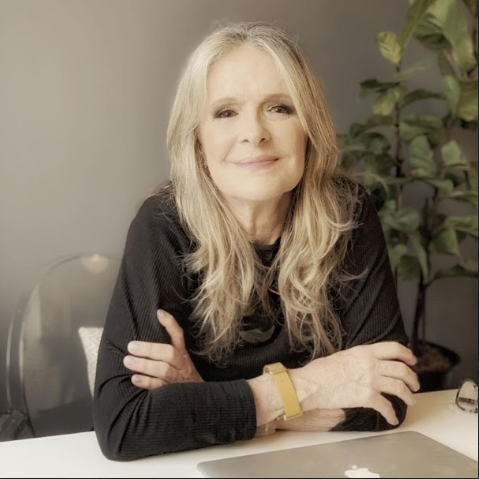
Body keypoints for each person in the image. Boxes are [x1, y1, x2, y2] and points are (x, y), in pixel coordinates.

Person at [93, 21, 419, 461]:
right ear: (198, 140)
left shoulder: (349, 213)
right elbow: (126, 425)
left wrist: (206, 397)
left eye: (279, 108)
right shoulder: (163, 225)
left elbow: (389, 400)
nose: (254, 133)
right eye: (226, 112)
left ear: (309, 127)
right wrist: (315, 385)